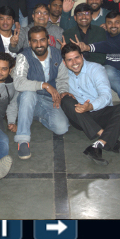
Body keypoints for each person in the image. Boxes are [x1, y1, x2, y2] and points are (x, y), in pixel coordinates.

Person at [60, 43, 120, 165]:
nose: (74, 62)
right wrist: (63, 93)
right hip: (80, 116)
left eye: (77, 57)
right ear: (64, 62)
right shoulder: (63, 74)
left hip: (100, 112)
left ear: (82, 56)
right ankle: (106, 136)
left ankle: (98, 144)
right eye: (69, 60)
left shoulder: (96, 69)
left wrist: (90, 106)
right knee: (65, 100)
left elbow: (106, 95)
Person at [13, 26, 70, 159]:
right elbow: (19, 83)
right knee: (28, 94)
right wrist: (44, 85)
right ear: (29, 42)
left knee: (62, 128)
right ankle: (23, 140)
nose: (39, 44)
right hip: (28, 98)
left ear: (48, 41)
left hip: (49, 99)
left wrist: (61, 93)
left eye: (42, 40)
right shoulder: (23, 56)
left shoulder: (57, 55)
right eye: (35, 41)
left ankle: (34, 115)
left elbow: (62, 80)